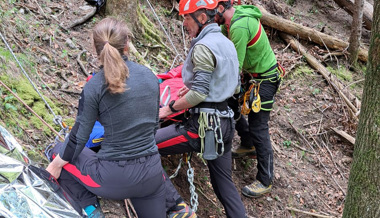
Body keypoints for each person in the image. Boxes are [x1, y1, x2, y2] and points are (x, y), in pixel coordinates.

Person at [46, 18, 167, 218]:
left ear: (95, 47)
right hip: (153, 174)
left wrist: (55, 165)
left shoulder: (94, 86)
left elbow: (78, 138)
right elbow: (153, 125)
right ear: (127, 42)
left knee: (57, 151)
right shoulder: (150, 76)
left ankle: (92, 211)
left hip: (113, 178)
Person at [156, 0, 246, 217]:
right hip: (225, 124)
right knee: (223, 184)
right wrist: (195, 90)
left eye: (187, 18)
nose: (184, 23)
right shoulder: (227, 44)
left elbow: (200, 94)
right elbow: (233, 86)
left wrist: (168, 109)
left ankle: (174, 205)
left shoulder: (204, 47)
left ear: (202, 18)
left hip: (202, 127)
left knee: (146, 146)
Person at [215, 0, 283, 198]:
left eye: (211, 12)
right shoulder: (227, 23)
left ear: (221, 8)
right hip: (253, 77)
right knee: (232, 104)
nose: (210, 17)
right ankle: (248, 143)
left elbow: (234, 65)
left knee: (259, 126)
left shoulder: (240, 26)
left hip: (266, 79)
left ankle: (265, 179)